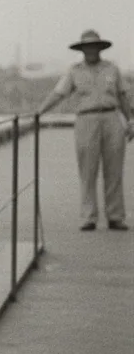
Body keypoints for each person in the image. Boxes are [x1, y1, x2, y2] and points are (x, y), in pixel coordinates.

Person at [37, 29, 133, 231]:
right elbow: (58, 94)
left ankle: (115, 216)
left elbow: (124, 96)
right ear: (82, 49)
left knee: (114, 170)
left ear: (100, 48)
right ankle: (89, 216)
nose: (91, 50)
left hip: (111, 117)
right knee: (87, 170)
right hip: (86, 120)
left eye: (94, 46)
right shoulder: (74, 71)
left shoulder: (112, 69)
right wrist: (39, 112)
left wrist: (130, 120)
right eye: (87, 47)